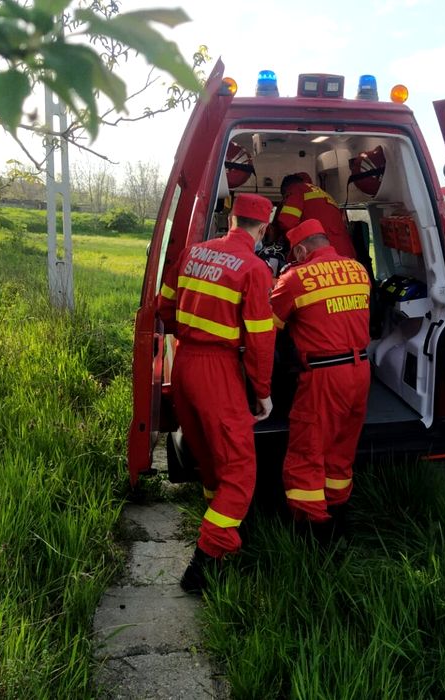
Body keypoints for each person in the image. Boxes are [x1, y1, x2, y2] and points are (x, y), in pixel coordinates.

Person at [157, 193, 277, 594]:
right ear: (263, 228)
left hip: (185, 361)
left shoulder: (192, 253)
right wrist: (262, 391)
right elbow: (260, 339)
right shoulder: (255, 269)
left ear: (231, 219)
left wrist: (191, 332)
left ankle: (216, 518)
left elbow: (164, 306)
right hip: (217, 370)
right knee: (240, 470)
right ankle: (205, 562)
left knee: (209, 457)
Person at [269, 218, 372, 537]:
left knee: (307, 449)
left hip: (325, 376)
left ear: (301, 251)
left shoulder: (295, 278)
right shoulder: (358, 270)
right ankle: (339, 514)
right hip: (361, 370)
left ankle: (313, 531)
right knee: (341, 447)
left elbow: (269, 325)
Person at [273, 173, 356, 259]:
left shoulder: (295, 189)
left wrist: (291, 248)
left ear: (286, 189)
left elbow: (287, 222)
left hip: (323, 255)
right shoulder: (322, 193)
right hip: (347, 254)